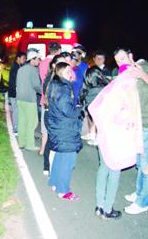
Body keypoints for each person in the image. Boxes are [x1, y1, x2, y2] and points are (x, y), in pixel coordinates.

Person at [113, 48, 148, 215]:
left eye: (123, 58)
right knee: (140, 163)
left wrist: (142, 75)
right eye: (118, 61)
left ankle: (144, 202)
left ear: (131, 56)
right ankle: (139, 192)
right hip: (138, 126)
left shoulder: (146, 68)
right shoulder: (126, 75)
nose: (121, 62)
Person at [87, 64, 144, 220]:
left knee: (103, 168)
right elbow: (123, 117)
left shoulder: (110, 90)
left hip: (104, 136)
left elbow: (96, 109)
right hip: (118, 141)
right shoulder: (128, 91)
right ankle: (107, 208)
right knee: (114, 172)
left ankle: (99, 205)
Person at [47, 62, 83, 201]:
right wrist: (80, 110)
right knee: (68, 160)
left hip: (59, 126)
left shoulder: (56, 84)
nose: (71, 74)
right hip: (65, 128)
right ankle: (63, 190)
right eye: (68, 72)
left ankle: (55, 182)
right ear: (61, 73)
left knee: (60, 156)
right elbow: (67, 110)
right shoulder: (63, 87)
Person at [38, 43, 62, 159]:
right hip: (55, 100)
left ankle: (42, 149)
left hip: (44, 98)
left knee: (44, 126)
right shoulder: (60, 64)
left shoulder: (42, 63)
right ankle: (53, 151)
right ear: (58, 50)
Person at [16, 48, 42, 150]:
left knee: (22, 121)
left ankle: (21, 143)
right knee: (32, 122)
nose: (39, 61)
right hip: (29, 100)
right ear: (33, 59)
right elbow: (36, 85)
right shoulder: (33, 70)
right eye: (38, 59)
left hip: (20, 99)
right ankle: (30, 145)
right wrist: (44, 93)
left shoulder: (21, 69)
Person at [8, 51, 27, 134]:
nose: (25, 60)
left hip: (15, 92)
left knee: (17, 110)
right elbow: (15, 82)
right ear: (18, 58)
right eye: (23, 58)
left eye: (25, 59)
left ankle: (17, 127)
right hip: (15, 93)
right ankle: (16, 128)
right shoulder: (16, 68)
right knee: (16, 110)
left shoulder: (17, 66)